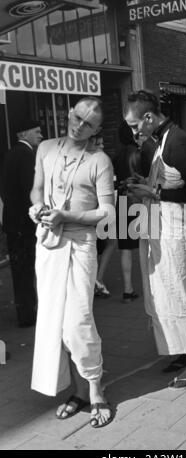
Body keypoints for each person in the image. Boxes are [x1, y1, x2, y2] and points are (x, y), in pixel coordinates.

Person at [29, 97, 114, 428]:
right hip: (49, 243)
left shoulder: (99, 160)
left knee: (78, 321)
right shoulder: (46, 148)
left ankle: (96, 390)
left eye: (88, 123)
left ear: (96, 130)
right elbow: (36, 191)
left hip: (81, 243)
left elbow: (107, 212)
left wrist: (68, 215)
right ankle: (78, 392)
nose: (79, 125)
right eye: (78, 117)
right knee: (55, 321)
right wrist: (37, 208)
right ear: (69, 113)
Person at [124, 90, 186, 389]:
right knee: (167, 293)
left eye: (136, 125)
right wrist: (143, 185)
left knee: (183, 292)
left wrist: (154, 193)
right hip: (166, 230)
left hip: (179, 233)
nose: (135, 132)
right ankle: (182, 350)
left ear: (149, 117)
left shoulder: (176, 141)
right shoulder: (162, 140)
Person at [2, 121, 43, 327]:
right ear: (24, 133)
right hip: (24, 224)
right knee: (27, 268)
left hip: (12, 221)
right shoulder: (26, 155)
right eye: (37, 132)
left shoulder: (10, 154)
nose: (41, 135)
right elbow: (30, 190)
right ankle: (29, 313)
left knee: (19, 270)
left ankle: (25, 310)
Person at [113, 120, 142, 302]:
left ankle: (127, 289)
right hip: (140, 201)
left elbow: (114, 182)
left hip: (123, 201)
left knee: (126, 248)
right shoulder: (140, 154)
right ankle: (152, 284)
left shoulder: (116, 157)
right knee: (147, 246)